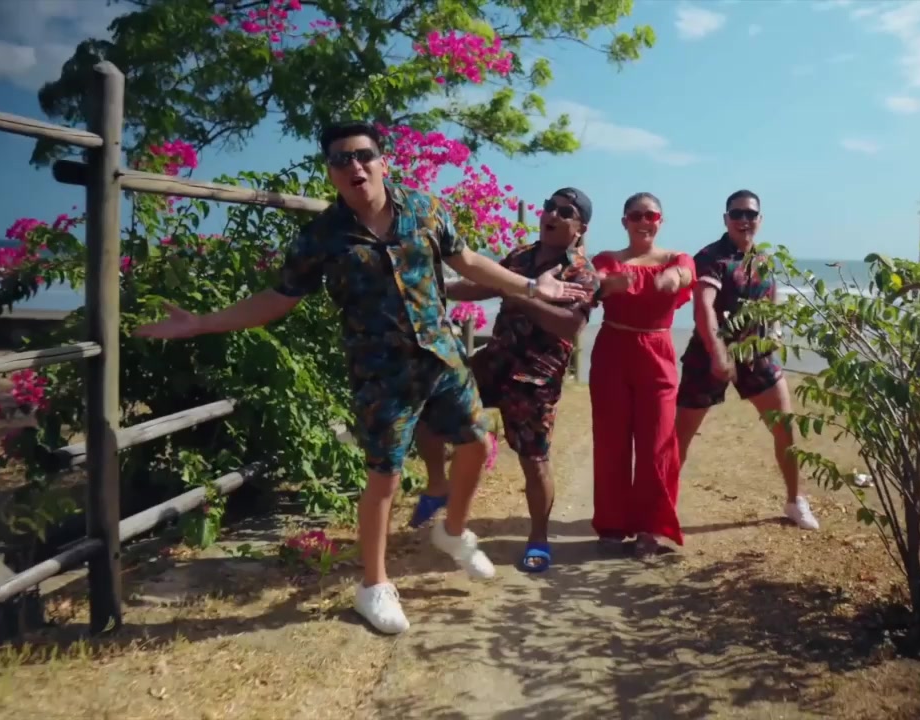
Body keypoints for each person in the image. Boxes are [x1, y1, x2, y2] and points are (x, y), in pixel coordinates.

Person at [132, 121, 591, 634]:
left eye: (363, 155)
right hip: (380, 373)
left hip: (441, 359)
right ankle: (373, 586)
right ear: (331, 173)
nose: (354, 165)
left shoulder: (424, 209)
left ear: (382, 162)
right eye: (341, 159)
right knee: (384, 478)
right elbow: (278, 299)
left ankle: (453, 531)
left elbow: (468, 261)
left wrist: (531, 288)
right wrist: (202, 323)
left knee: (477, 442)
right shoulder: (322, 237)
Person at [413, 187, 598, 574]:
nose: (553, 214)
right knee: (429, 409)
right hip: (494, 362)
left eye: (566, 211)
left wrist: (519, 295)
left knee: (534, 461)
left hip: (535, 378)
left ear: (581, 228)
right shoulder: (521, 256)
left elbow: (570, 326)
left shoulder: (582, 272)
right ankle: (438, 485)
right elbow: (484, 284)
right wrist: (435, 288)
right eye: (549, 206)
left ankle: (539, 539)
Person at [674, 189, 820, 531]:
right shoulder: (711, 257)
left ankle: (795, 500)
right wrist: (718, 354)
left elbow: (771, 297)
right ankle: (659, 510)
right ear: (725, 219)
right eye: (736, 214)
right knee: (680, 438)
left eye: (750, 214)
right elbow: (703, 308)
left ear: (760, 219)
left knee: (785, 427)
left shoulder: (763, 259)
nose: (744, 220)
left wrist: (776, 332)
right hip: (708, 355)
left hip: (756, 355)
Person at [589, 192, 695, 557]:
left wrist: (675, 276)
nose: (644, 221)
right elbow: (595, 281)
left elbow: (685, 274)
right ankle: (612, 526)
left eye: (651, 215)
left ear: (660, 221)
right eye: (636, 215)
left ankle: (651, 528)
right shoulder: (608, 259)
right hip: (613, 352)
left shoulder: (676, 258)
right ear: (625, 222)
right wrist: (606, 282)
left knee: (658, 444)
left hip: (658, 353)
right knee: (611, 443)